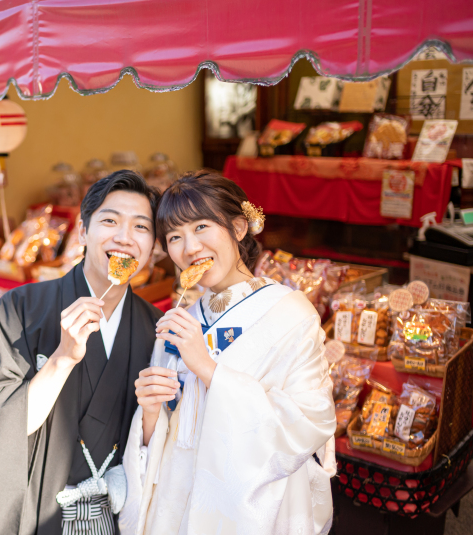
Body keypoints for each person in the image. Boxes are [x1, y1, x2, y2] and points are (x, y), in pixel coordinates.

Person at [120, 170, 337, 535]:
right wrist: (152, 413)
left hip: (251, 506)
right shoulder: (181, 321)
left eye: (202, 227)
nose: (189, 248)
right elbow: (169, 432)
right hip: (177, 501)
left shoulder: (290, 312)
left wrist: (208, 368)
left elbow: (310, 419)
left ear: (239, 228)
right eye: (175, 236)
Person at [0, 170, 163, 535]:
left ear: (154, 247)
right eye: (110, 221)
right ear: (83, 232)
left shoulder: (156, 329)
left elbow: (160, 446)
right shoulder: (21, 308)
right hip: (39, 514)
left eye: (141, 228)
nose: (124, 238)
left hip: (120, 517)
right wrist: (62, 359)